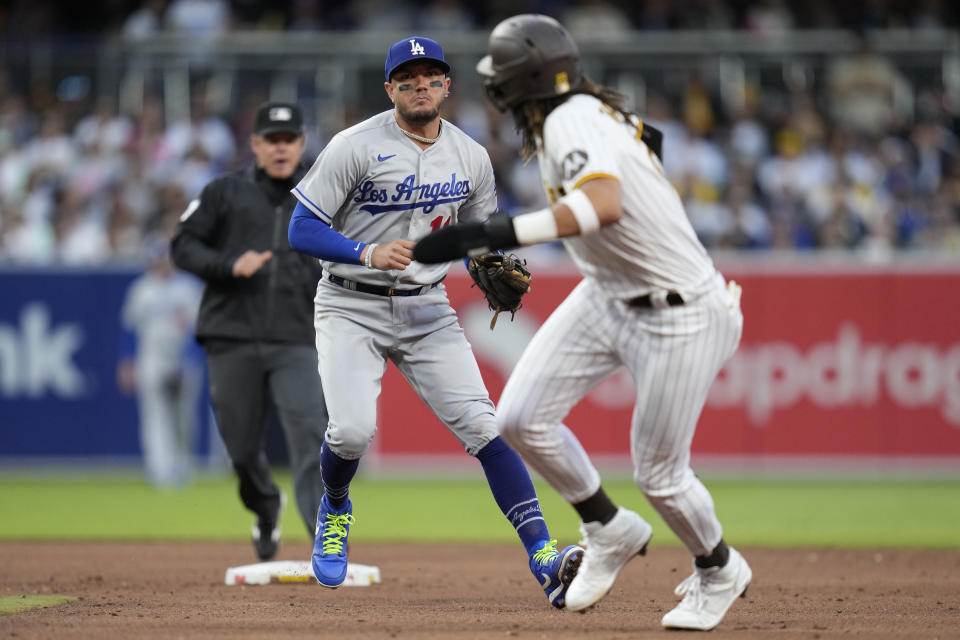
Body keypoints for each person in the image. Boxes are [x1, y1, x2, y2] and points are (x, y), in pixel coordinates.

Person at [413, 14, 751, 631]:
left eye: (504, 78)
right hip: (611, 292)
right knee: (518, 418)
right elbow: (650, 146)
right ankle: (607, 526)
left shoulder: (571, 119)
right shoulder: (583, 113)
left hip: (677, 314)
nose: (497, 88)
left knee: (660, 476)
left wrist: (489, 232)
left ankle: (720, 568)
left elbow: (602, 204)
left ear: (525, 82)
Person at [287, 35, 583, 608]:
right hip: (350, 302)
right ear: (390, 88)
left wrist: (487, 262)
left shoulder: (470, 155)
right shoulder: (355, 145)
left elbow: (478, 233)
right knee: (350, 432)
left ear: (447, 85)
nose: (419, 85)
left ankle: (545, 557)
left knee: (488, 429)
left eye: (430, 76)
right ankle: (336, 506)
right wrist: (366, 252)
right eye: (407, 77)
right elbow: (301, 227)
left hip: (427, 308)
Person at [170, 101, 328, 561]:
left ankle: (324, 541)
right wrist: (227, 265)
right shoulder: (224, 192)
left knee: (310, 434)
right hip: (232, 335)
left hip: (298, 336)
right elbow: (182, 245)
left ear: (301, 144)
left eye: (289, 139)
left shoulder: (322, 196)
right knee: (239, 447)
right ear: (255, 144)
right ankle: (265, 505)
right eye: (271, 140)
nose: (281, 148)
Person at [117, 235, 204, 489]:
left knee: (184, 417)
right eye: (157, 259)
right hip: (152, 358)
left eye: (165, 258)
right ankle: (160, 470)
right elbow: (129, 328)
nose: (161, 263)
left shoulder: (188, 287)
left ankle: (183, 466)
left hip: (183, 358)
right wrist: (126, 362)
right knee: (154, 415)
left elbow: (199, 329)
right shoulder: (141, 288)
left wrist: (187, 360)